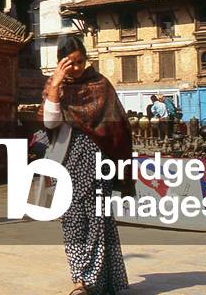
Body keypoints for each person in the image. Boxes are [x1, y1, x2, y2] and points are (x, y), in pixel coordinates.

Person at [42, 35, 132, 294]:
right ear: (61, 63)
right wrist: (56, 86)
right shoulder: (53, 86)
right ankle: (79, 278)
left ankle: (90, 281)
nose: (77, 68)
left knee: (96, 219)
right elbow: (49, 124)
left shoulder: (100, 84)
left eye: (80, 61)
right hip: (66, 160)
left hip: (96, 160)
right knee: (71, 221)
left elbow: (119, 126)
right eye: (70, 63)